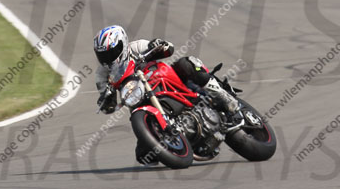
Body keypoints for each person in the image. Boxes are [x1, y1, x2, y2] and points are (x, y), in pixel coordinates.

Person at [93, 25, 241, 119]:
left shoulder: (136, 47)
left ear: (122, 44)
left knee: (185, 63)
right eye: (103, 55)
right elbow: (108, 104)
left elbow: (169, 49)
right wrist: (106, 100)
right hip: (138, 97)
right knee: (143, 154)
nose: (107, 58)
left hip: (159, 79)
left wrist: (158, 45)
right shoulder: (102, 74)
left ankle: (223, 95)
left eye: (111, 52)